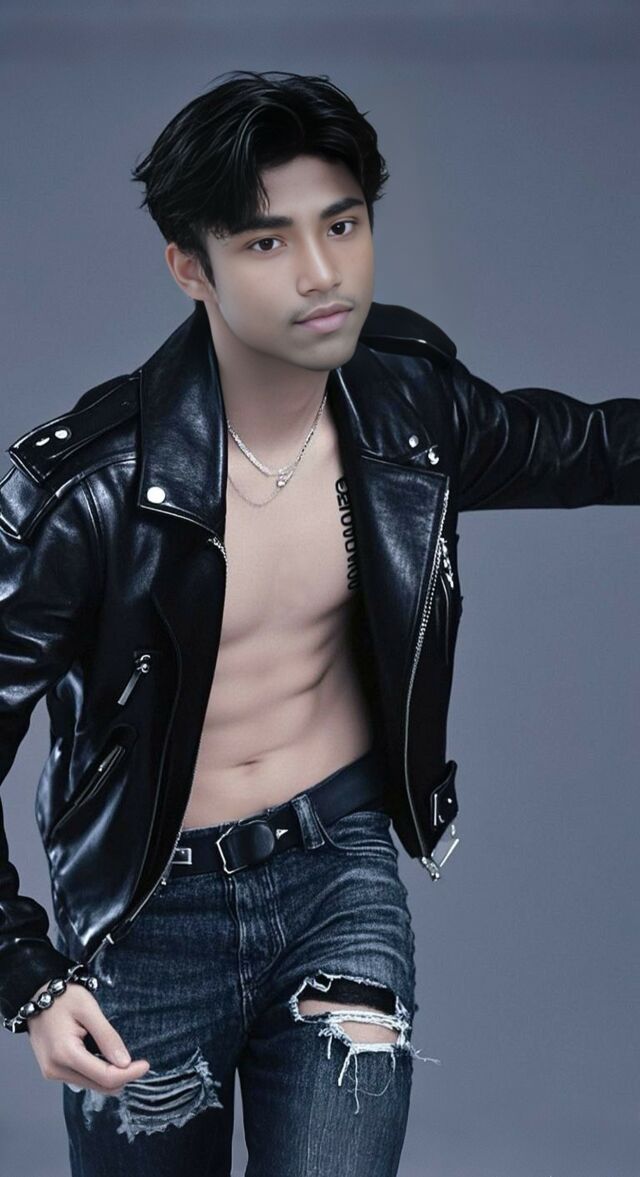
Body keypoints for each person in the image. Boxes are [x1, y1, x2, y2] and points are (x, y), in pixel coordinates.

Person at [0, 69, 637, 1177]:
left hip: (336, 877)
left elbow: (592, 449)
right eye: (266, 242)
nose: (321, 273)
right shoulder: (90, 493)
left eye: (341, 225)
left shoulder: (411, 414)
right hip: (148, 920)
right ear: (189, 267)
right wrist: (28, 979)